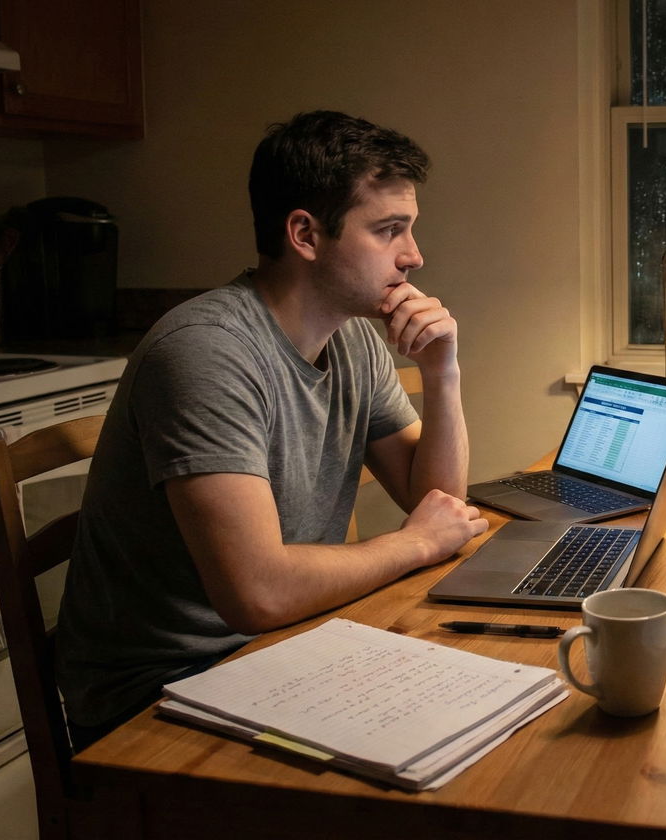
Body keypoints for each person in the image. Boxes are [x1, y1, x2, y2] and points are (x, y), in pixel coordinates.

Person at [55, 110, 488, 746]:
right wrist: (417, 544)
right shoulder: (207, 352)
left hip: (280, 648)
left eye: (410, 230)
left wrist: (442, 373)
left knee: (473, 722)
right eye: (389, 230)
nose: (415, 257)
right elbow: (255, 593)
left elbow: (438, 503)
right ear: (305, 235)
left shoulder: (353, 343)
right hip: (159, 691)